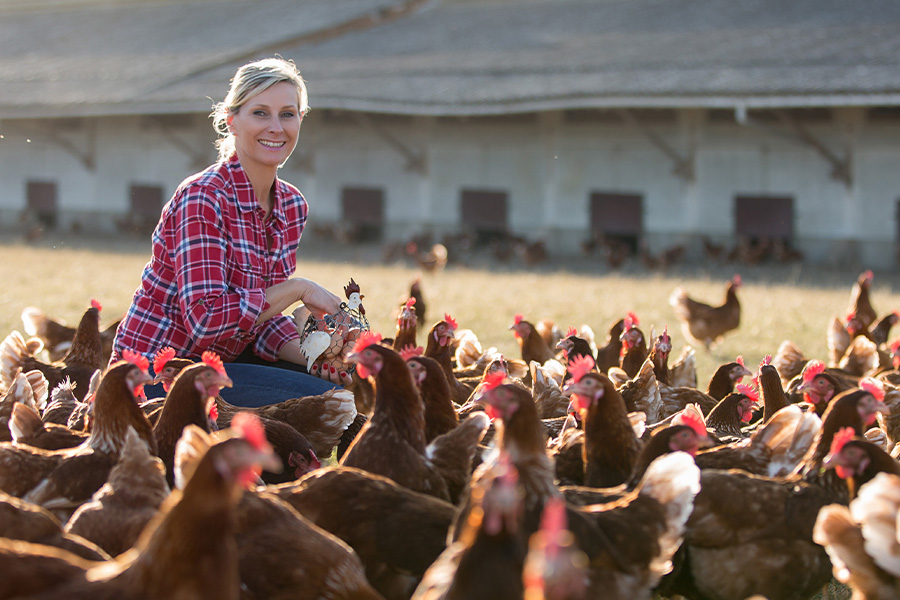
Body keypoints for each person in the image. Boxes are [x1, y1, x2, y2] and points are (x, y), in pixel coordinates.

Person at [111, 57, 353, 406]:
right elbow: (207, 322)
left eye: (287, 114)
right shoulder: (203, 198)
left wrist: (319, 355)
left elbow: (259, 320)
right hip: (156, 374)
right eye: (260, 113)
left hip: (220, 365)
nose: (275, 127)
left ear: (300, 120)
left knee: (332, 385)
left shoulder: (291, 205)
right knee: (327, 403)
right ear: (231, 121)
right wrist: (300, 289)